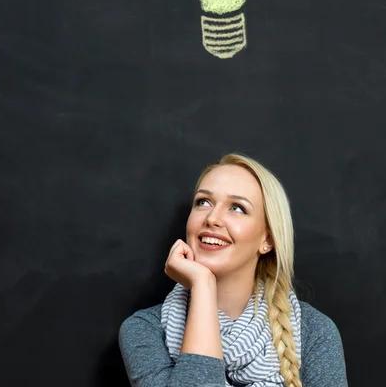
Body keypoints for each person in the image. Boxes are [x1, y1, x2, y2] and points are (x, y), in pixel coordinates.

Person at [119, 153, 348, 387]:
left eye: (237, 208)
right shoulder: (145, 329)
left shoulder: (314, 332)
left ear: (267, 240)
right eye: (203, 202)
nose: (212, 218)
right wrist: (202, 286)